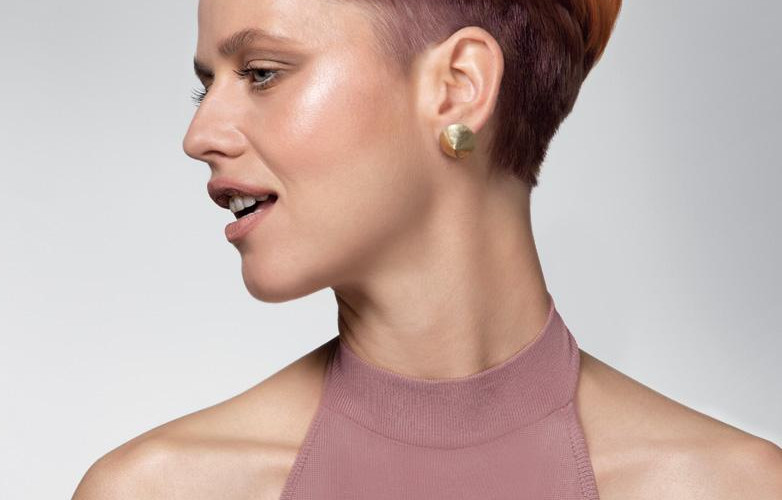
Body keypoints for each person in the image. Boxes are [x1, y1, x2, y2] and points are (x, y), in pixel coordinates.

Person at [73, 0, 782, 498]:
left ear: (457, 86)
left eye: (261, 72)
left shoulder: (735, 488)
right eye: (204, 87)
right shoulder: (155, 490)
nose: (199, 136)